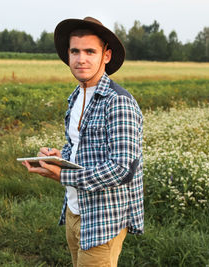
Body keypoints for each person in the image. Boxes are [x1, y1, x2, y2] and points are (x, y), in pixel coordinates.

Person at [22, 16, 143, 267]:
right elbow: (81, 148)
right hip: (75, 211)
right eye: (75, 51)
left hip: (103, 219)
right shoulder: (77, 95)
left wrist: (62, 176)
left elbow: (122, 169)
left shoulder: (118, 102)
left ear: (106, 56)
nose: (81, 59)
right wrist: (58, 157)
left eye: (90, 51)